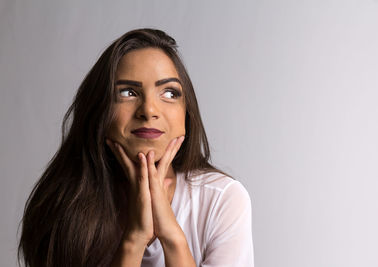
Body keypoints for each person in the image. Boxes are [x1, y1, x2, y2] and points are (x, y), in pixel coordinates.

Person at [18, 28, 254, 267]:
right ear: (100, 110)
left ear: (186, 113)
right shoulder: (64, 203)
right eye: (128, 92)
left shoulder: (222, 200)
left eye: (169, 93)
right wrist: (135, 238)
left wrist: (172, 237)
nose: (149, 110)